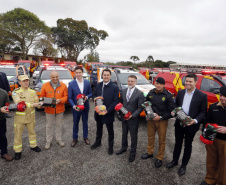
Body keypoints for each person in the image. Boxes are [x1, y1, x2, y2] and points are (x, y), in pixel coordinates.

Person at [166, 73, 207, 176]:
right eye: (186, 81)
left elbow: (203, 112)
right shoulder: (180, 92)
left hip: (192, 125)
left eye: (190, 81)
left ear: (195, 82)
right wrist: (174, 111)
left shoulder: (202, 96)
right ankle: (175, 161)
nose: (187, 83)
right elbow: (176, 105)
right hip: (179, 123)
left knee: (188, 145)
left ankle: (183, 165)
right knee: (177, 143)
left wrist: (195, 120)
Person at [141, 77, 175, 168]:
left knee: (161, 140)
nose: (159, 85)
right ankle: (149, 152)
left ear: (164, 85)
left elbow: (172, 111)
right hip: (151, 120)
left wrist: (160, 117)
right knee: (150, 137)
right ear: (155, 84)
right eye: (157, 83)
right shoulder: (151, 92)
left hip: (162, 121)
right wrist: (148, 113)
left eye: (161, 84)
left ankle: (159, 158)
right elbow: (146, 104)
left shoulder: (168, 95)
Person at [12, 75, 42, 160]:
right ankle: (18, 151)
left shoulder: (33, 91)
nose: (26, 82)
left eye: (27, 80)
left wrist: (41, 104)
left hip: (31, 117)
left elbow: (37, 102)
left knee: (32, 132)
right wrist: (33, 105)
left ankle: (33, 145)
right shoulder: (15, 92)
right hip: (19, 118)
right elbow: (19, 103)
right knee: (18, 134)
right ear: (19, 82)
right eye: (23, 81)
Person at [200, 86, 226, 185]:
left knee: (224, 164)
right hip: (212, 140)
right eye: (221, 95)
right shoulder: (213, 107)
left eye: (225, 96)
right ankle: (210, 179)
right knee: (211, 161)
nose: (222, 98)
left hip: (225, 142)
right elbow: (206, 122)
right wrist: (204, 135)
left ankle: (221, 182)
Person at [116, 75, 144, 162]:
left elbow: (140, 107)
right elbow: (121, 103)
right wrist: (121, 113)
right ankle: (124, 148)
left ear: (135, 82)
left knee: (133, 136)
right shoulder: (123, 91)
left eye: (132, 81)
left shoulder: (139, 93)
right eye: (129, 81)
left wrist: (133, 115)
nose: (130, 83)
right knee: (124, 134)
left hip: (133, 119)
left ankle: (132, 153)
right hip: (124, 118)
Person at [91, 69, 119, 155]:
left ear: (110, 76)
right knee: (99, 129)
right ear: (102, 76)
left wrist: (108, 110)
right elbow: (95, 95)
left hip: (108, 113)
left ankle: (110, 147)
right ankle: (98, 142)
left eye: (108, 75)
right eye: (104, 75)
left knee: (110, 131)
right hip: (98, 112)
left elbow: (115, 101)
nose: (106, 76)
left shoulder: (114, 87)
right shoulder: (98, 85)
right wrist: (94, 99)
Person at [40, 71, 68, 150]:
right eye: (53, 77)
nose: (55, 78)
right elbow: (42, 97)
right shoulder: (45, 85)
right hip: (49, 110)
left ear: (58, 76)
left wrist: (60, 100)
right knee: (49, 126)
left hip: (60, 109)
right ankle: (48, 141)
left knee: (58, 125)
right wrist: (43, 103)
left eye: (56, 77)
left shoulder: (63, 85)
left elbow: (66, 96)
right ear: (50, 77)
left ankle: (58, 139)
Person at [68, 66, 92, 147]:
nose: (78, 74)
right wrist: (74, 106)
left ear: (82, 73)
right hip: (76, 108)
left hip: (85, 107)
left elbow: (91, 93)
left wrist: (87, 97)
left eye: (80, 73)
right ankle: (75, 138)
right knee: (75, 123)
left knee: (85, 122)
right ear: (74, 73)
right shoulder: (71, 84)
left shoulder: (87, 82)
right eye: (77, 73)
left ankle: (85, 137)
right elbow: (70, 97)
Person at [0, 88, 13, 161]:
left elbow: (7, 104)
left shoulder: (3, 92)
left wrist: (10, 108)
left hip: (1, 119)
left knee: (2, 136)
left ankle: (4, 152)